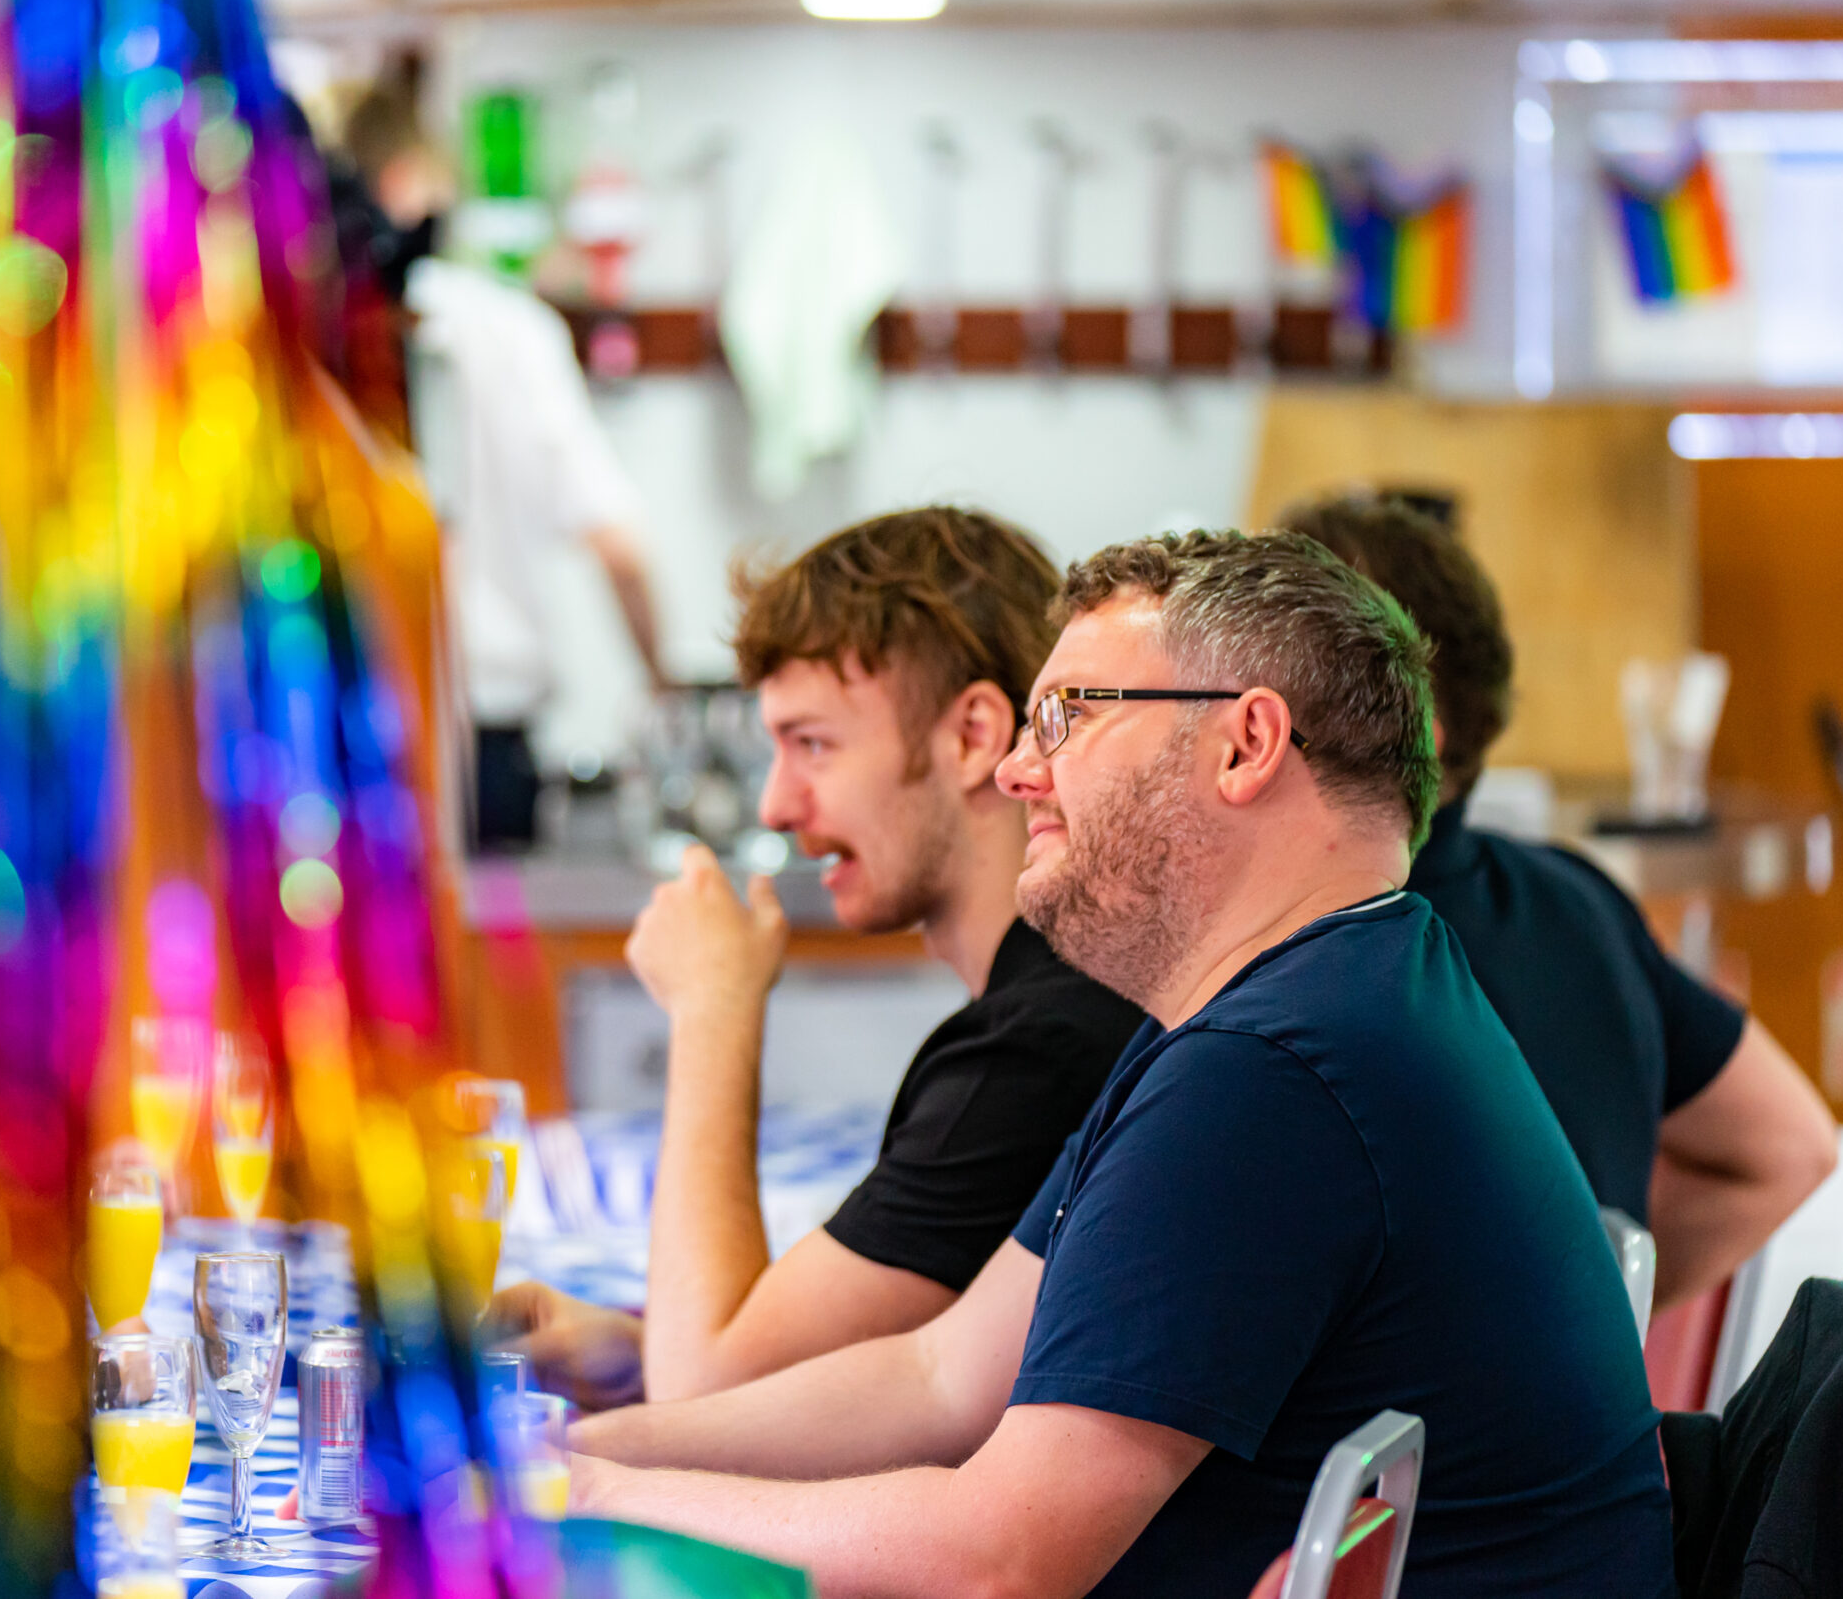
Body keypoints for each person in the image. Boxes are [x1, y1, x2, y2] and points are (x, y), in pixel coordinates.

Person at [564, 530, 1675, 1599]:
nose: (1015, 772)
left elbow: (996, 1559)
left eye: (1066, 716)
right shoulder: (1325, 991)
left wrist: (588, 1497)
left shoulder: (1275, 1073)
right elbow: (941, 1377)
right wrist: (581, 1453)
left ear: (1244, 744)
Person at [488, 508, 1146, 1406]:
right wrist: (635, 1346)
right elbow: (847, 1376)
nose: (775, 806)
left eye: (813, 744)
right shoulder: (1063, 1002)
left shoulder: (1037, 1046)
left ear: (972, 736)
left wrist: (712, 1006)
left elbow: (710, 1392)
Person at [1282, 494, 1837, 1306]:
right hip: (1581, 1432)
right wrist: (1601, 1321)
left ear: (1409, 726)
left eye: (1270, 676)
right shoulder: (1579, 900)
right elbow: (1793, 1144)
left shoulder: (1327, 962)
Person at [405, 228, 665, 849]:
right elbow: (618, 545)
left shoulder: (302, 323)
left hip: (353, 742)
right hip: (489, 738)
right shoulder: (513, 330)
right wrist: (663, 685)